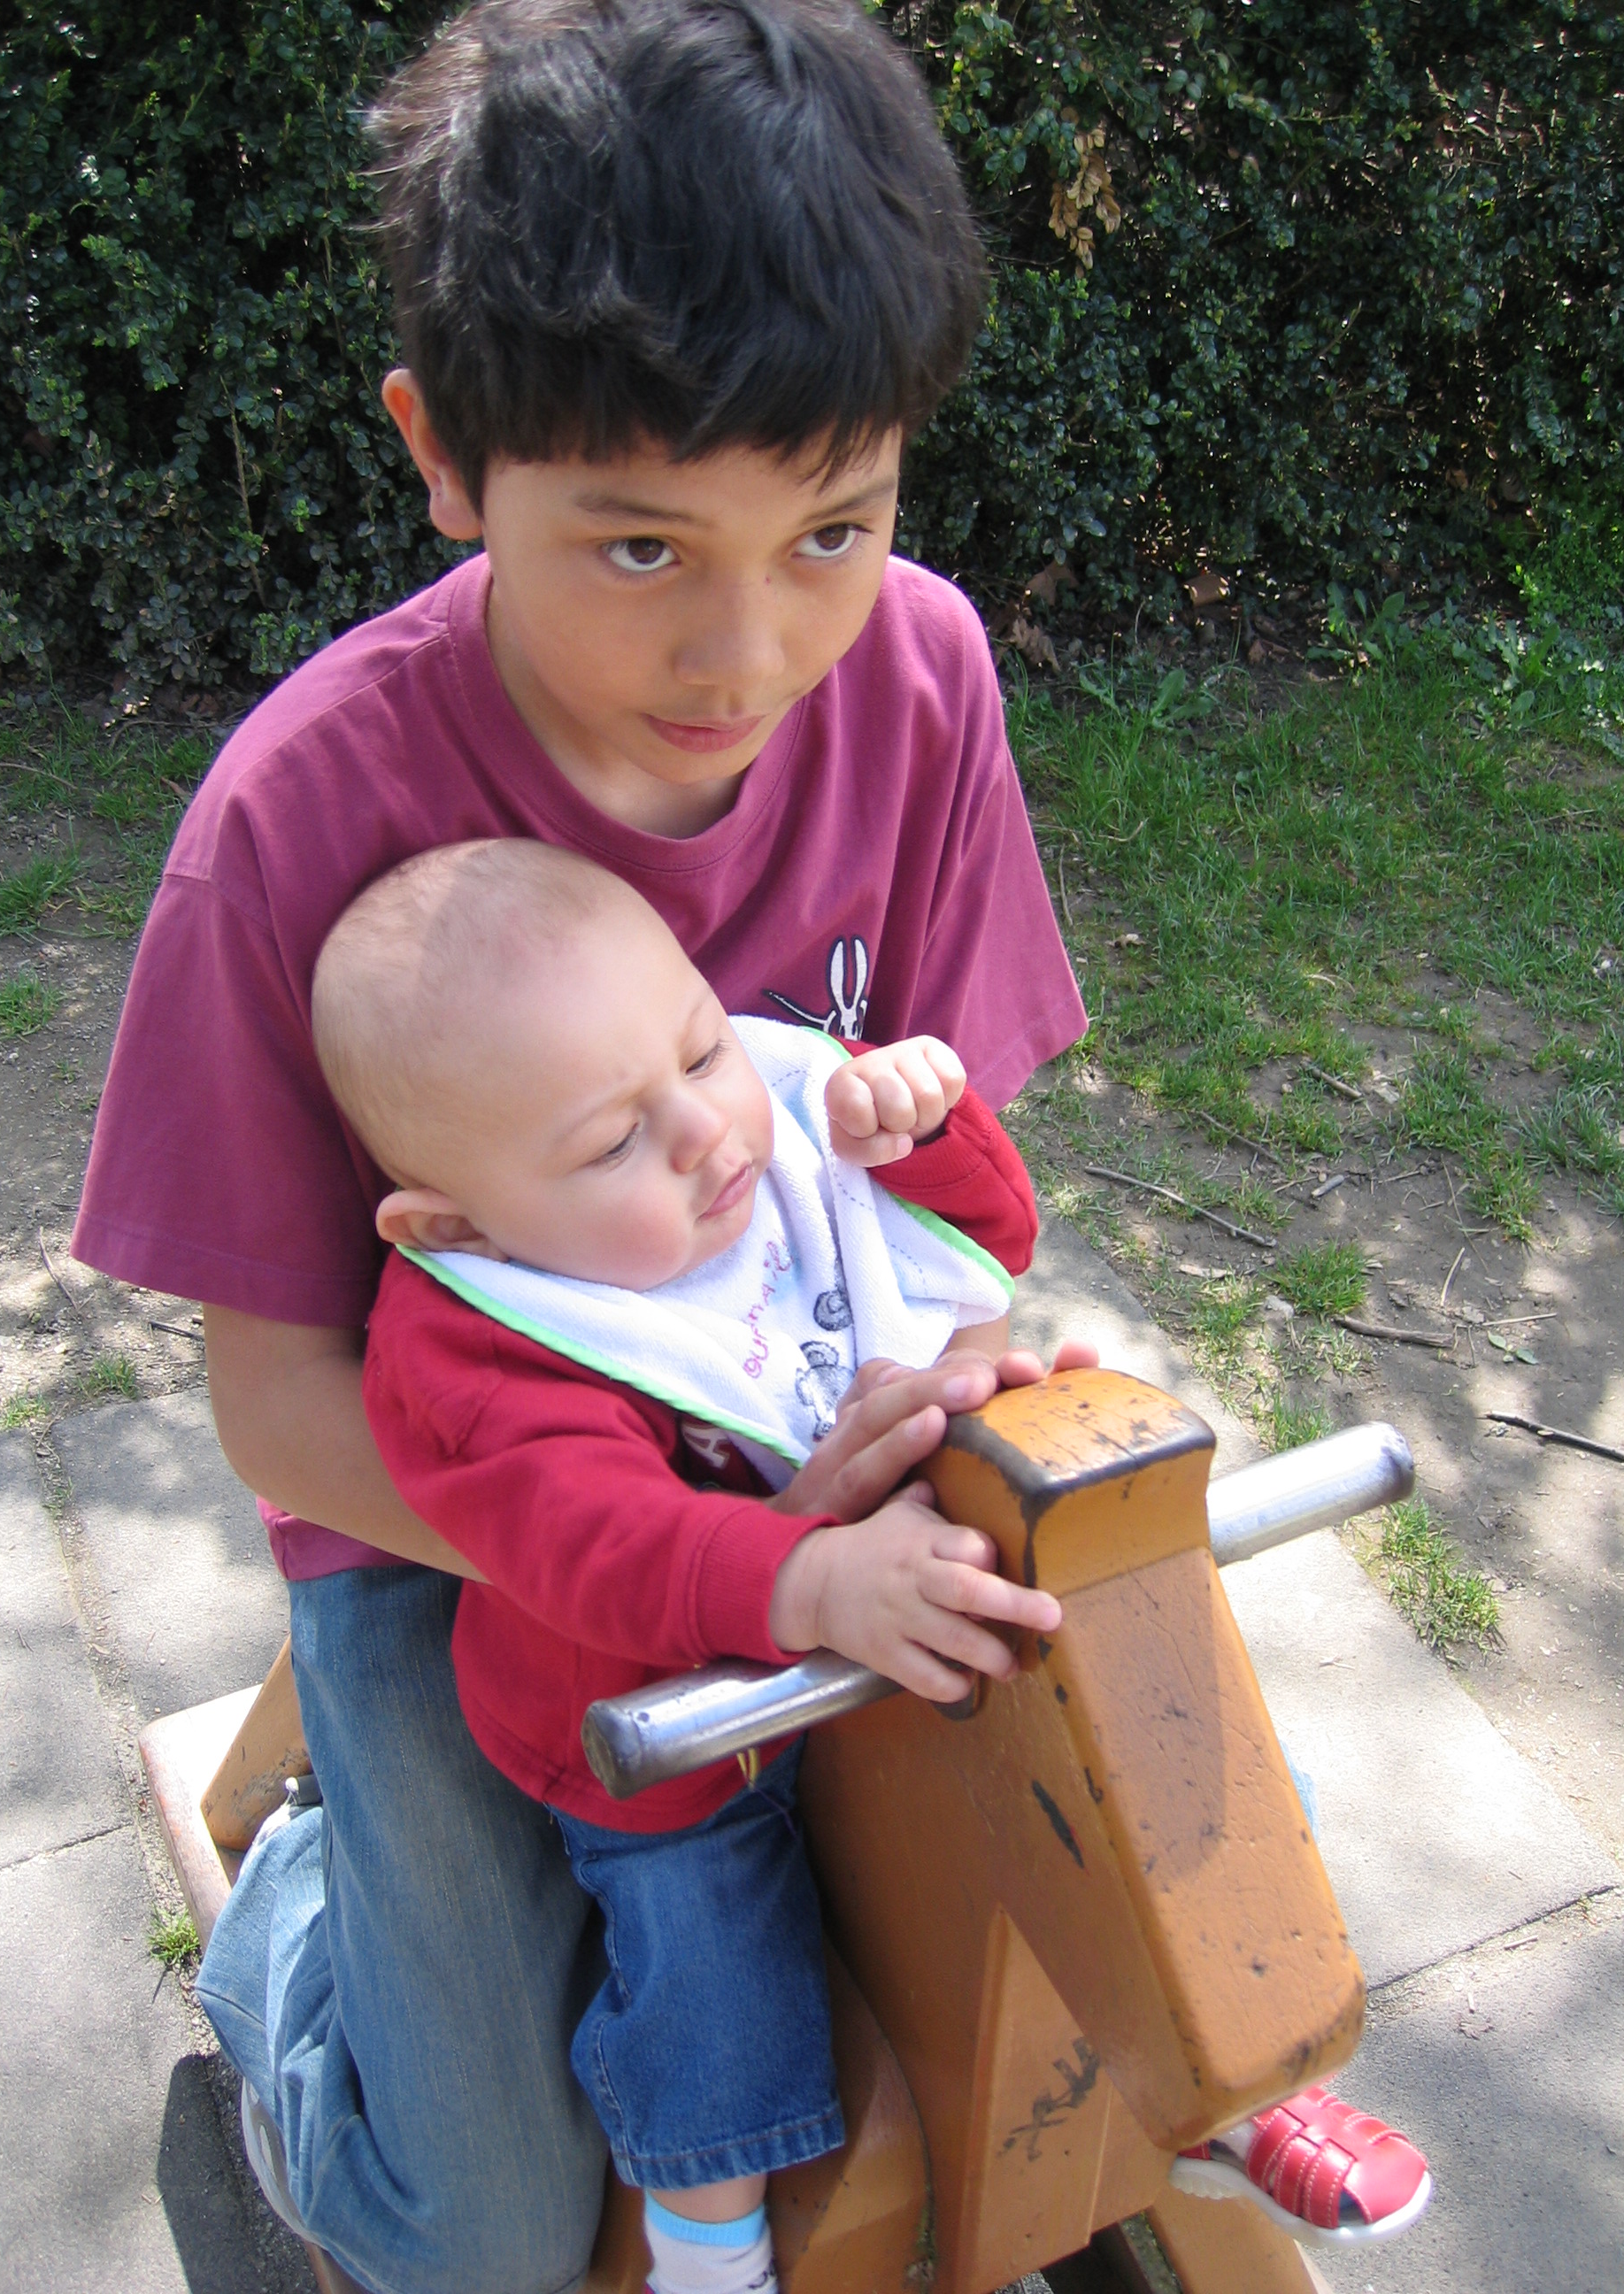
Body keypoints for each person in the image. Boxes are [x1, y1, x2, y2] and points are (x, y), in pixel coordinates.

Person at [71, 0, 1426, 2279]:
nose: (748, 650)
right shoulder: (295, 826)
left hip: (811, 1439)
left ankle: (1221, 2085)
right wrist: (691, 1551)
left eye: (833, 529)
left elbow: (944, 1193)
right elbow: (283, 1410)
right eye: (638, 549)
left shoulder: (920, 676)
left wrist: (960, 1365)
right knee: (482, 2235)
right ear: (444, 455)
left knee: (1109, 1740)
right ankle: (301, 1930)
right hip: (468, 1521)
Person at [304, 837, 1063, 2294]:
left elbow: (983, 1242)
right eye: (611, 1146)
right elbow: (605, 1548)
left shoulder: (766, 1135)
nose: (710, 1133)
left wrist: (924, 1131)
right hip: (664, 1717)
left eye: (705, 1049)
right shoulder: (473, 1346)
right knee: (714, 1967)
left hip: (875, 1605)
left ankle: (1223, 2069)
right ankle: (706, 2248)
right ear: (456, 1224)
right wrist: (810, 1583)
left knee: (1105, 1705)